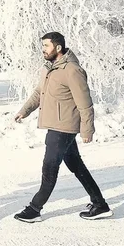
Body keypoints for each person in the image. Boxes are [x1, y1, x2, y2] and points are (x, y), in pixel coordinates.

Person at [13, 32, 112, 222]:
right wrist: (25, 110)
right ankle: (100, 205)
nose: (43, 50)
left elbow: (85, 103)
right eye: (42, 46)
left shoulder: (72, 70)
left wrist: (87, 129)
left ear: (58, 48)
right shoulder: (49, 69)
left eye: (46, 46)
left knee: (49, 168)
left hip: (63, 128)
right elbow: (38, 92)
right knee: (76, 166)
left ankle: (34, 209)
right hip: (55, 125)